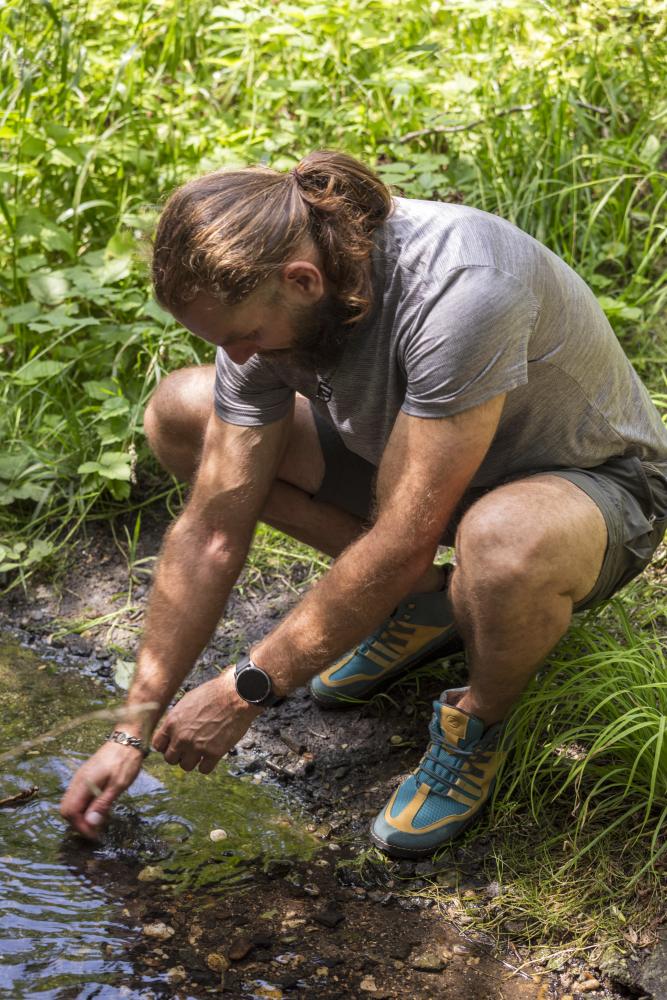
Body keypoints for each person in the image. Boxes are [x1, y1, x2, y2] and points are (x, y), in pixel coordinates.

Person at [60, 151, 667, 859]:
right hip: (423, 456)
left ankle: (479, 720)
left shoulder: (461, 290)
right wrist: (131, 726)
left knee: (499, 542)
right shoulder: (273, 296)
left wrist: (244, 687)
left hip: (590, 489)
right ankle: (426, 602)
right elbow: (211, 531)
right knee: (182, 413)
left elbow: (402, 535)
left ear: (302, 280)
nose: (239, 355)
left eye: (245, 336)